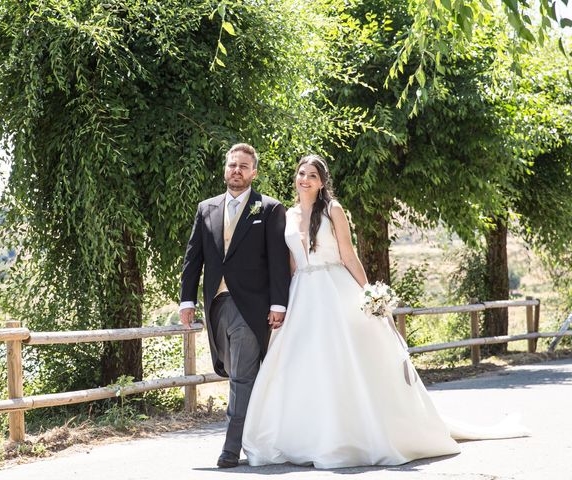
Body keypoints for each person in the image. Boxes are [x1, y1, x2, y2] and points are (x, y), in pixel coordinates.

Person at [242, 154, 528, 469]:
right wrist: (282, 301)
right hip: (302, 294)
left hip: (334, 290)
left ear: (322, 182)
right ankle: (299, 437)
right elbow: (292, 263)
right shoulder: (287, 214)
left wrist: (370, 295)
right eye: (301, 173)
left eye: (312, 175)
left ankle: (349, 436)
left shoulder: (333, 211)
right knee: (298, 363)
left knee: (342, 359)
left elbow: (349, 257)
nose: (304, 179)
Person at [179, 143, 291, 468]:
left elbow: (278, 264)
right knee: (233, 371)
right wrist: (187, 301)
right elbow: (192, 259)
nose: (236, 171)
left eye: (243, 166)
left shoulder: (269, 209)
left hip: (252, 306)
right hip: (217, 305)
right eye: (232, 165)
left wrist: (279, 305)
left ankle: (230, 449)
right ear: (225, 169)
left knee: (241, 377)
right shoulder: (206, 209)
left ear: (254, 172)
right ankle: (265, 432)